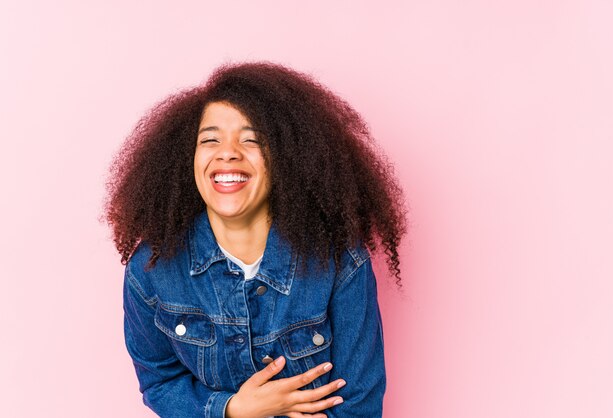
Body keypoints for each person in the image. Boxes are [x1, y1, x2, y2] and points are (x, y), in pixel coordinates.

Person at [104, 61, 407, 418]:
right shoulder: (151, 269)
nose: (228, 151)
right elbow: (159, 382)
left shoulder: (341, 261)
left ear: (286, 158)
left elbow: (361, 404)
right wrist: (233, 409)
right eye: (210, 139)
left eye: (251, 140)